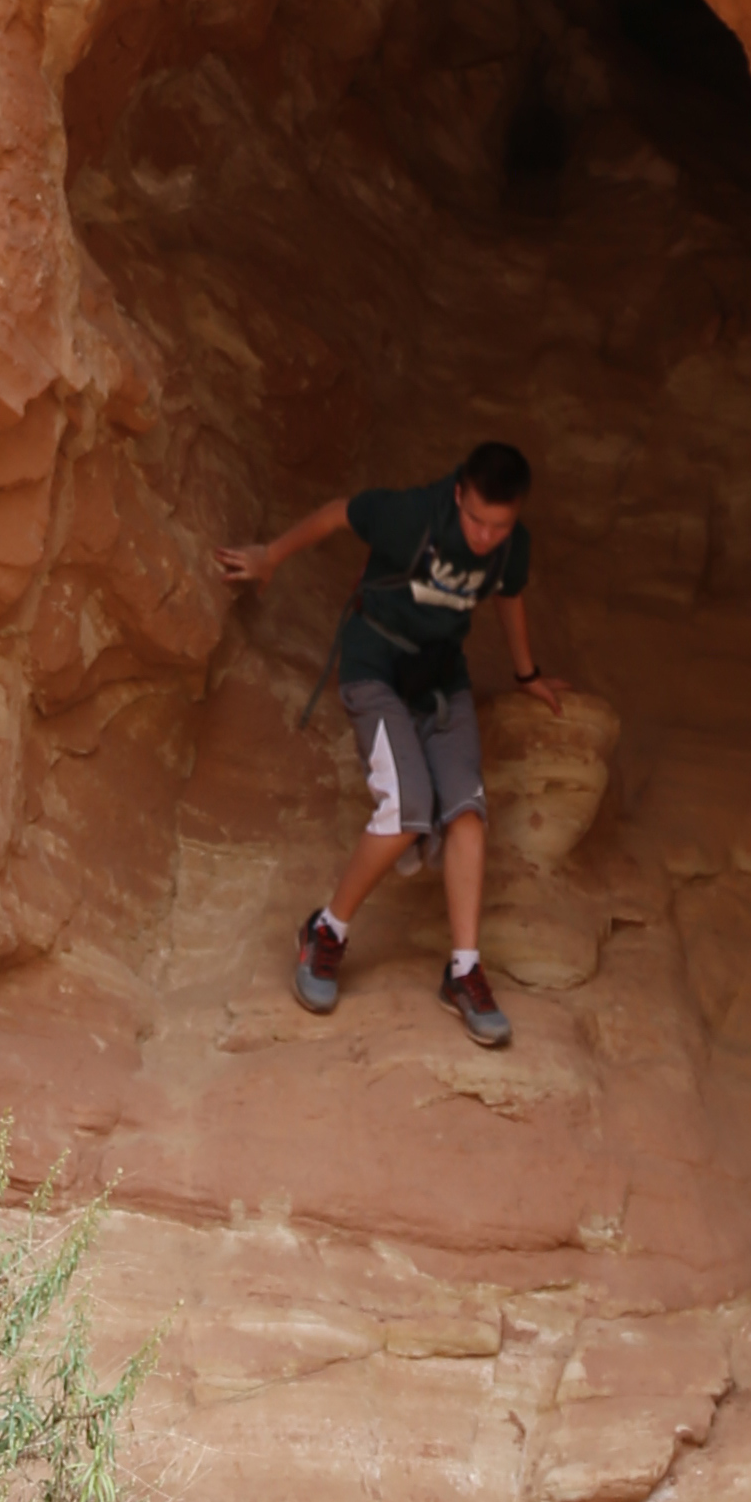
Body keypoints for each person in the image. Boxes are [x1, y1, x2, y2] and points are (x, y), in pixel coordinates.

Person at [214, 443, 566, 1049]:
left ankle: (463, 972)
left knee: (468, 818)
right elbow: (337, 514)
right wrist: (270, 556)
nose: (485, 536)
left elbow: (508, 596)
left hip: (440, 680)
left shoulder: (511, 546)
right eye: (477, 519)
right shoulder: (412, 516)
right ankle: (325, 933)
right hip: (374, 666)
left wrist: (527, 675)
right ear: (459, 492)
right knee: (407, 811)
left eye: (499, 525)